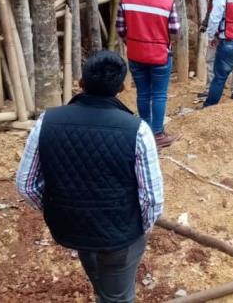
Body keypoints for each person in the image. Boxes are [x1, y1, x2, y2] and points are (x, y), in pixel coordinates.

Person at [16, 51, 164, 303]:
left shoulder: (46, 121)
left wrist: (59, 208)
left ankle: (101, 293)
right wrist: (140, 229)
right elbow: (152, 199)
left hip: (72, 226)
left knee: (97, 271)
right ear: (121, 87)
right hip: (121, 234)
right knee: (118, 296)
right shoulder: (137, 130)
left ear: (81, 83)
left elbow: (26, 185)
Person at [118, 0, 180, 148]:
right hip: (160, 55)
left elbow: (120, 28)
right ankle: (158, 134)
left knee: (143, 92)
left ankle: (144, 130)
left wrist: (130, 41)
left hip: (136, 54)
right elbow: (175, 29)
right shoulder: (167, 2)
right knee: (159, 94)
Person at [198, 0, 233, 100]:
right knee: (211, 60)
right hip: (216, 32)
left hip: (232, 33)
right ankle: (211, 87)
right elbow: (211, 8)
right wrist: (206, 23)